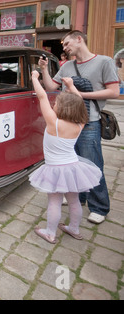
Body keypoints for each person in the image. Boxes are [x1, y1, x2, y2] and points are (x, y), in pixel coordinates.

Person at [38, 30, 120, 225]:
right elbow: (51, 87)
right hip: (66, 123)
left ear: (79, 39)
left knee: (92, 164)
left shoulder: (104, 62)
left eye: (66, 44)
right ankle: (79, 198)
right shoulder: (67, 66)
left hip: (89, 122)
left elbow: (114, 91)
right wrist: (43, 70)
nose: (64, 48)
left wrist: (79, 95)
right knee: (72, 164)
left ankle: (99, 207)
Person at [30, 70, 102, 244]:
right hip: (73, 167)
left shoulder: (53, 122)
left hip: (55, 169)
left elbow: (42, 97)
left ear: (60, 108)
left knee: (54, 202)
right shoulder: (80, 123)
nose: (54, 104)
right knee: (74, 200)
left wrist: (34, 78)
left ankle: (50, 233)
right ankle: (74, 229)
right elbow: (80, 102)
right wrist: (71, 87)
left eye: (57, 103)